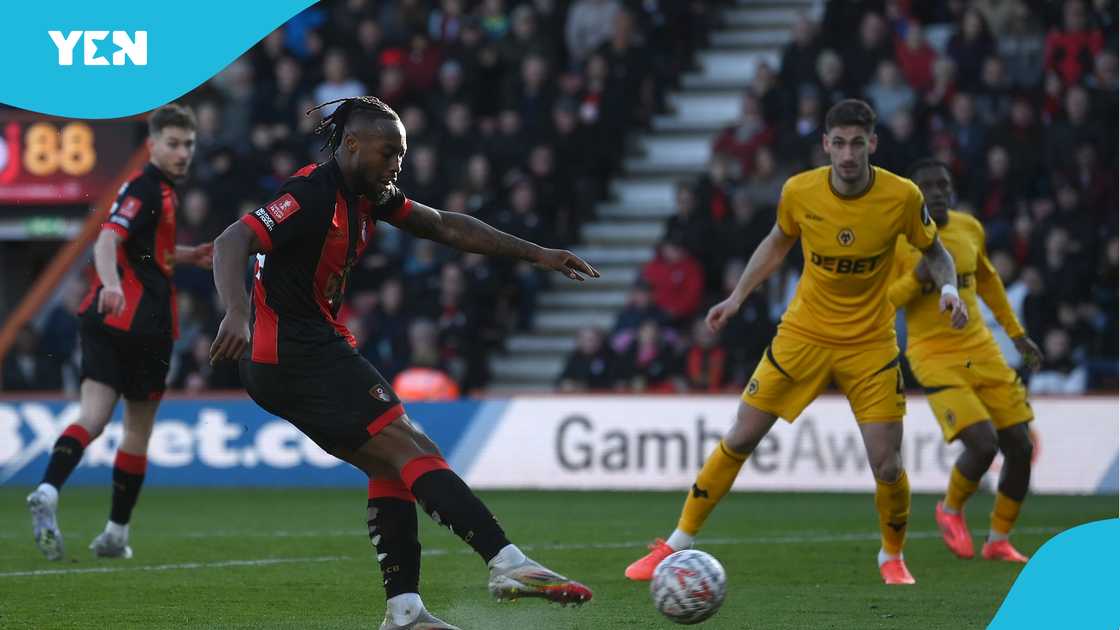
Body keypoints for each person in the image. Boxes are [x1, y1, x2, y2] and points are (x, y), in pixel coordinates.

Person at [208, 96, 596, 630]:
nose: (397, 165)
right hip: (295, 352)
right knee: (412, 446)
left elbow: (443, 226)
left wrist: (537, 253)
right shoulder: (311, 194)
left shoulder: (371, 195)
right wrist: (235, 312)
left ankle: (405, 613)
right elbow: (233, 240)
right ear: (351, 145)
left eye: (402, 154)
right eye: (389, 153)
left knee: (389, 462)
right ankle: (505, 562)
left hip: (302, 353)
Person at [623, 99, 967, 586]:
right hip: (803, 334)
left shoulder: (902, 197)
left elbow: (937, 252)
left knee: (887, 465)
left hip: (869, 342)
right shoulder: (799, 191)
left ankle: (892, 555)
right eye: (839, 143)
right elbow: (777, 241)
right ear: (825, 144)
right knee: (740, 435)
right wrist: (738, 296)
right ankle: (677, 542)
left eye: (857, 143)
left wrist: (949, 290)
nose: (848, 154)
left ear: (873, 144)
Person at [26, 104, 214, 561]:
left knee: (92, 415)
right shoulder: (147, 188)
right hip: (144, 323)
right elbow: (108, 239)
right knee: (137, 430)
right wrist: (112, 283)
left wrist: (188, 256)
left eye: (188, 144)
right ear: (152, 146)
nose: (182, 152)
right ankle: (115, 532)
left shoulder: (159, 192)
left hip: (103, 319)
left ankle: (50, 487)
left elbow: (147, 252)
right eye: (173, 143)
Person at [888, 158, 1042, 564]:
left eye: (944, 185)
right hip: (934, 355)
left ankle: (998, 539)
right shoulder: (898, 239)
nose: (938, 192)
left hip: (982, 350)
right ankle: (951, 509)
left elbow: (989, 281)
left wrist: (1016, 334)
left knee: (1020, 447)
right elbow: (885, 301)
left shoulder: (969, 227)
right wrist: (918, 277)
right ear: (914, 194)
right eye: (929, 187)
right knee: (983, 443)